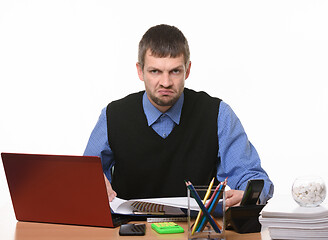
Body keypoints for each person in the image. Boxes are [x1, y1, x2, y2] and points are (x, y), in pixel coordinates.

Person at [84, 24, 273, 207]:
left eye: (175, 71)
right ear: (140, 71)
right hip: (131, 231)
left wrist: (250, 195)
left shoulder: (217, 114)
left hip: (198, 231)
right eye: (155, 71)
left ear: (187, 70)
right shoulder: (113, 115)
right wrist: (91, 183)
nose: (165, 82)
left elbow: (253, 178)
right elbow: (84, 177)